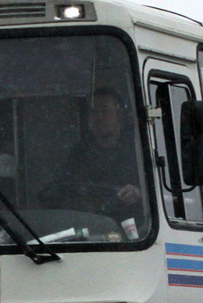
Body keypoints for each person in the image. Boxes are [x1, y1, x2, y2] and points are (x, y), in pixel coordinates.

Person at [58, 87, 144, 220]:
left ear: (119, 113)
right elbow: (66, 191)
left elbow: (156, 193)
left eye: (105, 111)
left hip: (134, 226)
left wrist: (138, 193)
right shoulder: (79, 153)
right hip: (90, 223)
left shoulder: (137, 148)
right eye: (93, 112)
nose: (99, 117)